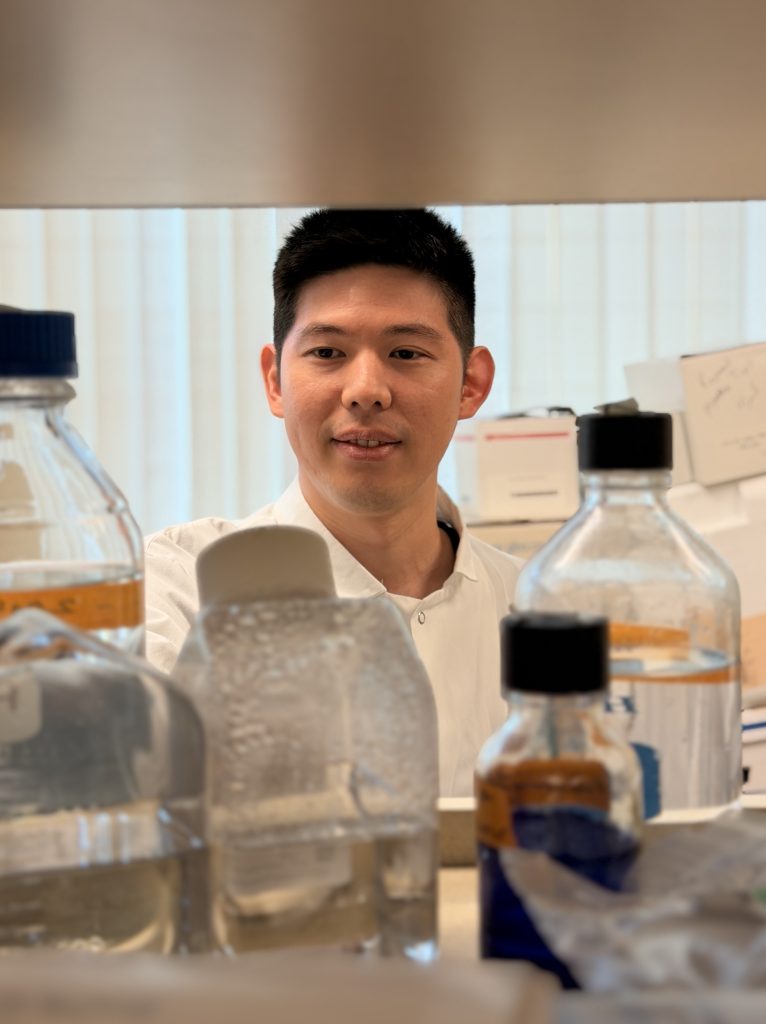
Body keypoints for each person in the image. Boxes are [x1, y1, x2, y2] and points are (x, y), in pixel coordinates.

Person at [144, 208, 521, 796]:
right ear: (275, 381)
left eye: (406, 353)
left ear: (471, 384)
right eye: (326, 352)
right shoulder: (179, 589)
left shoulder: (533, 607)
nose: (365, 391)